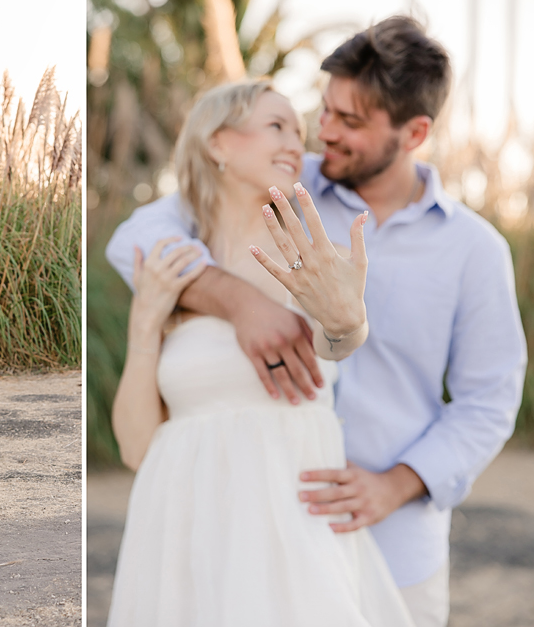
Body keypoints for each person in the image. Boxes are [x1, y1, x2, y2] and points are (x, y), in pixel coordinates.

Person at [105, 17, 527, 627]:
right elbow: (136, 238)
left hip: (396, 541)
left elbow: (489, 402)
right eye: (323, 111)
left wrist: (399, 484)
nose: (322, 134)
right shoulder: (286, 179)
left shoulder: (474, 250)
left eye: (348, 122)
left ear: (414, 132)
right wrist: (238, 300)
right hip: (253, 530)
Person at [107, 80, 414, 626]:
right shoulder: (171, 271)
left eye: (298, 131)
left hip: (287, 527)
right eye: (276, 126)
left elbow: (337, 337)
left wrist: (347, 323)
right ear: (217, 144)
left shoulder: (318, 261)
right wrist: (146, 323)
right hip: (180, 530)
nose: (296, 142)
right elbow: (135, 449)